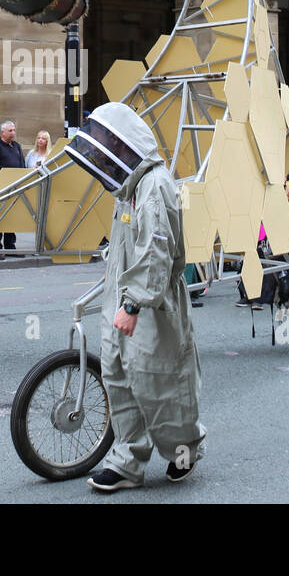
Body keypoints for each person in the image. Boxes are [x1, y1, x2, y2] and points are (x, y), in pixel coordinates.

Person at [65, 102, 205, 492]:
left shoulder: (155, 185)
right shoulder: (129, 188)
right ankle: (128, 461)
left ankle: (184, 449)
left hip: (152, 305)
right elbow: (128, 249)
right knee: (118, 377)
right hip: (125, 299)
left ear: (124, 145)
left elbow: (157, 252)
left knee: (160, 381)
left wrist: (132, 304)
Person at [0, 120, 24, 256]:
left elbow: (22, 166)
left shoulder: (17, 147)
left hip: (14, 189)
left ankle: (10, 245)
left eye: (14, 130)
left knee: (11, 218)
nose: (13, 133)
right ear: (3, 132)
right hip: (0, 190)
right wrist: (1, 183)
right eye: (10, 131)